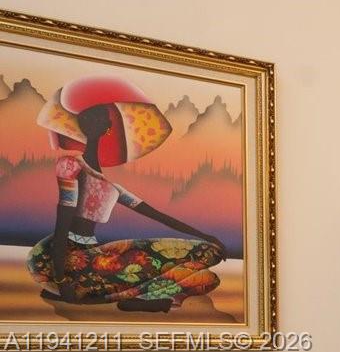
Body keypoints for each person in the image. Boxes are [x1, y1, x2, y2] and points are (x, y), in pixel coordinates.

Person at [26, 74, 225, 313]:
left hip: (94, 257)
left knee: (207, 272)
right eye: (87, 115)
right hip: (59, 260)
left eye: (100, 116)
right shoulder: (71, 166)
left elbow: (158, 216)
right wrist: (60, 279)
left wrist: (206, 236)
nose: (91, 119)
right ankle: (126, 296)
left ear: (108, 127)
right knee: (152, 267)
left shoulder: (112, 188)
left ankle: (129, 296)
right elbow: (62, 225)